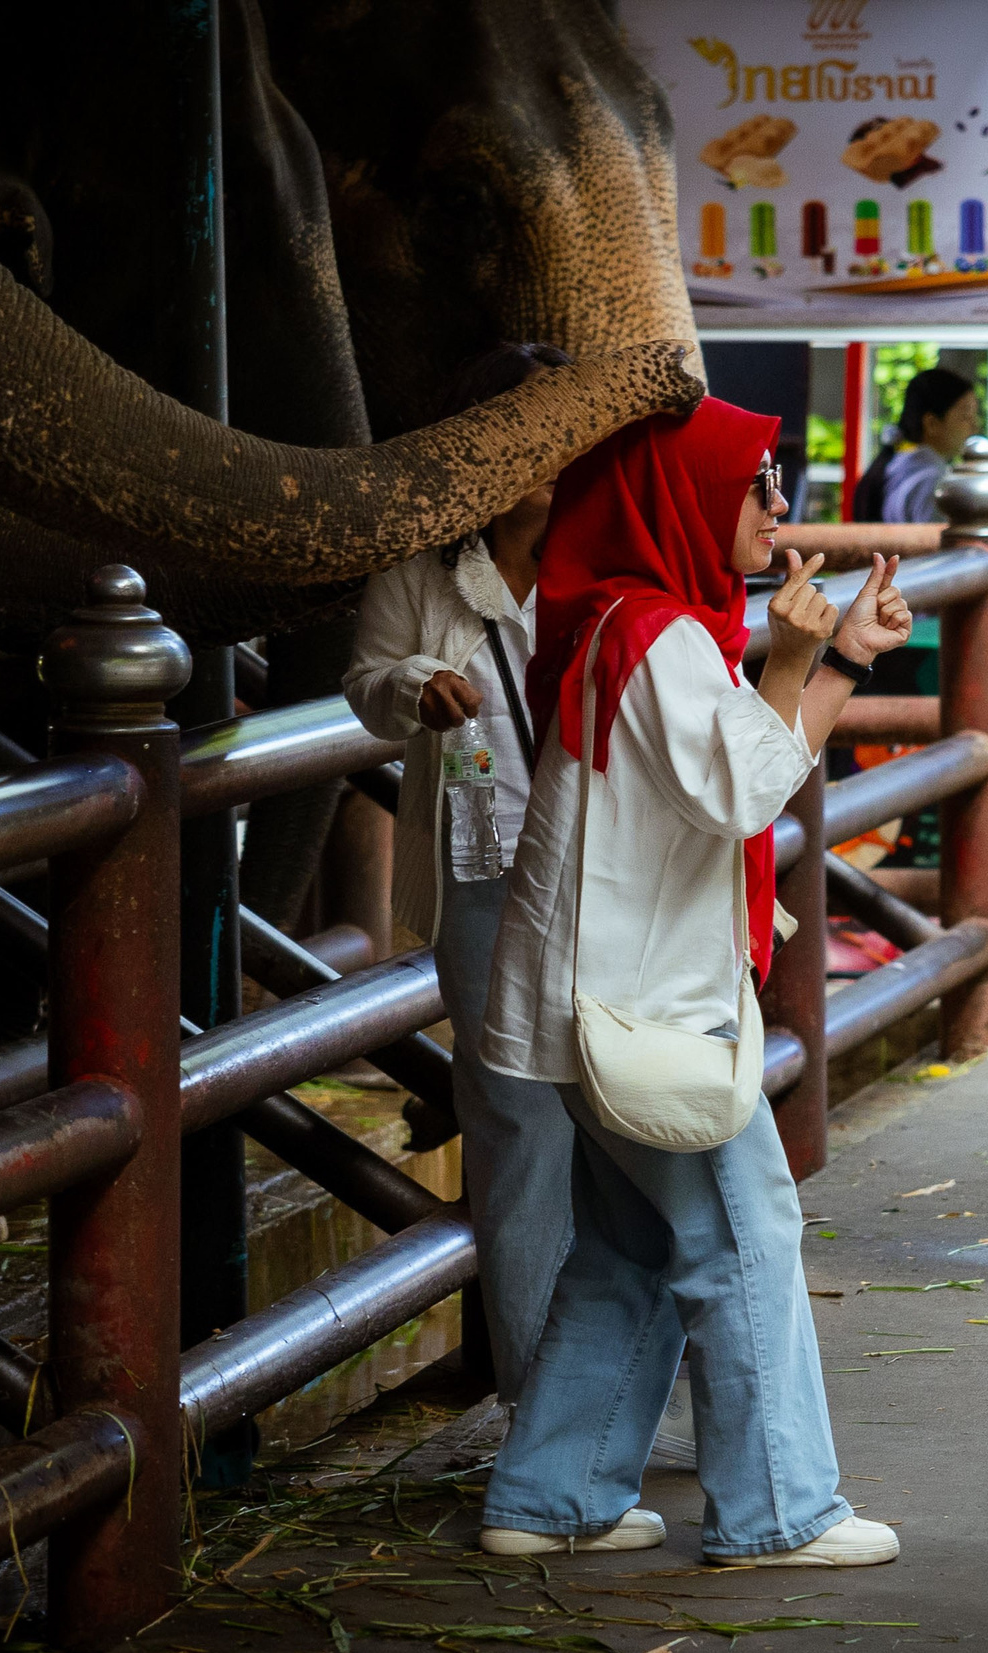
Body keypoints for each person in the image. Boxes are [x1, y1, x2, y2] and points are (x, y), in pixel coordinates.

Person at [476, 398, 913, 1566]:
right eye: (753, 480)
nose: (776, 503)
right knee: (746, 1227)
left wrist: (833, 659)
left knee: (626, 1246)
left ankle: (552, 1495)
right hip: (640, 1006)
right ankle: (778, 1508)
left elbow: (737, 764)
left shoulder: (624, 619)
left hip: (595, 1001)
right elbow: (741, 793)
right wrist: (797, 655)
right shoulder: (658, 635)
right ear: (673, 496)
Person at [342, 343, 577, 1411]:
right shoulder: (420, 568)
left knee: (633, 1129)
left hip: (606, 869)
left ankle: (632, 1392)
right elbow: (366, 682)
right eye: (510, 434)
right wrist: (412, 681)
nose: (534, 455)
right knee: (518, 1132)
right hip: (483, 875)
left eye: (549, 430)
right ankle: (543, 1406)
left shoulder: (611, 554)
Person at [849, 366, 978, 524]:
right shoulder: (933, 482)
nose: (974, 427)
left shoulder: (897, 466)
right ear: (931, 424)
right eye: (966, 417)